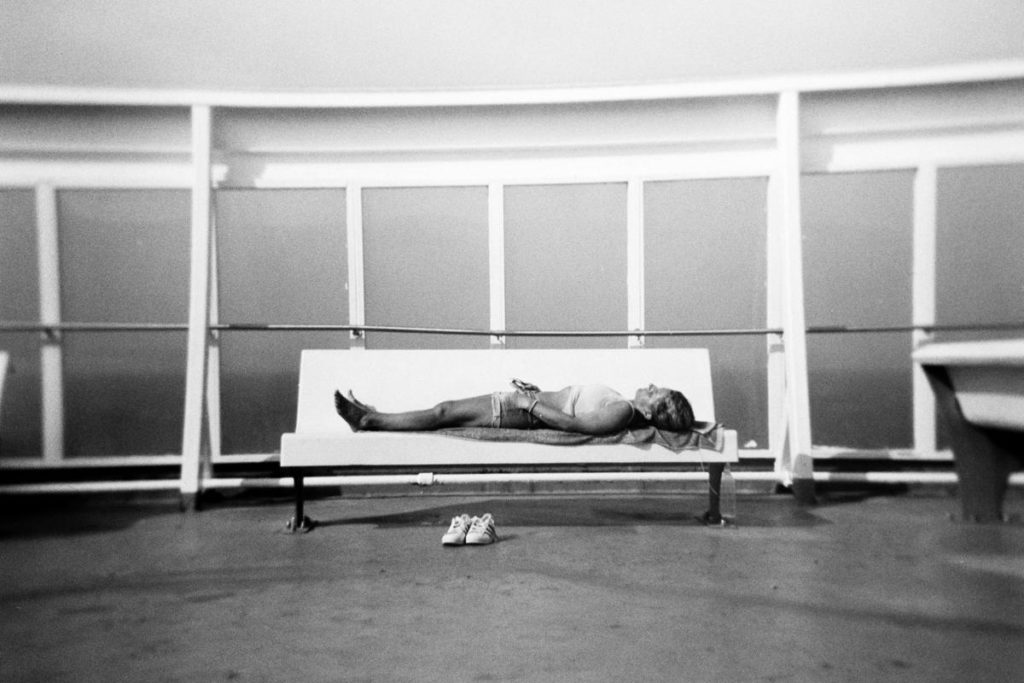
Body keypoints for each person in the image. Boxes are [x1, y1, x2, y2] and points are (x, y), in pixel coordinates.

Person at [334, 381, 694, 436]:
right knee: (443, 410)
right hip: (526, 405)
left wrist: (528, 402)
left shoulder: (623, 412)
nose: (648, 385)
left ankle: (368, 420)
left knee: (443, 412)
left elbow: (572, 425)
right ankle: (373, 413)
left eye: (655, 392)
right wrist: (536, 393)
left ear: (650, 413)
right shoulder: (624, 404)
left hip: (520, 412)